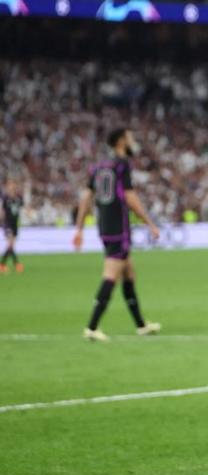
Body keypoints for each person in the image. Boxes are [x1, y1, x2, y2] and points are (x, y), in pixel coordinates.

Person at [72, 128, 161, 342]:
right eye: (130, 138)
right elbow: (130, 198)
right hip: (118, 228)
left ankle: (141, 325)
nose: (132, 141)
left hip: (104, 226)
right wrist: (150, 223)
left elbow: (85, 198)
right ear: (121, 141)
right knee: (111, 274)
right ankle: (92, 327)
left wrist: (79, 228)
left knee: (129, 272)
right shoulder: (122, 165)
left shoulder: (99, 166)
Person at [1, 178, 23, 274]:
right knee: (10, 244)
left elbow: (21, 208)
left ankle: (12, 264)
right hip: (7, 223)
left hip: (15, 223)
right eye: (9, 186)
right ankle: (10, 264)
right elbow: (2, 211)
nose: (11, 187)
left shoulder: (19, 198)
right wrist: (2, 223)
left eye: (13, 185)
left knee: (12, 246)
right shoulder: (5, 198)